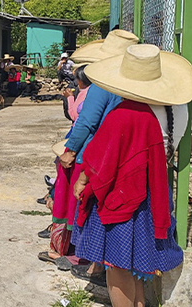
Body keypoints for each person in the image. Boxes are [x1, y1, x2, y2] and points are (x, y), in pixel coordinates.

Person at [72, 45, 189, 306]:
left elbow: (101, 158)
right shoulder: (179, 110)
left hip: (122, 196)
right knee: (134, 264)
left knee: (118, 266)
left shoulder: (124, 114)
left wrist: (81, 180)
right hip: (150, 197)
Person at [59, 30, 139, 282]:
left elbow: (87, 122)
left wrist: (70, 150)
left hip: (96, 154)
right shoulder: (132, 85)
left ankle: (91, 262)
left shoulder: (103, 85)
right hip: (126, 154)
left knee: (88, 207)